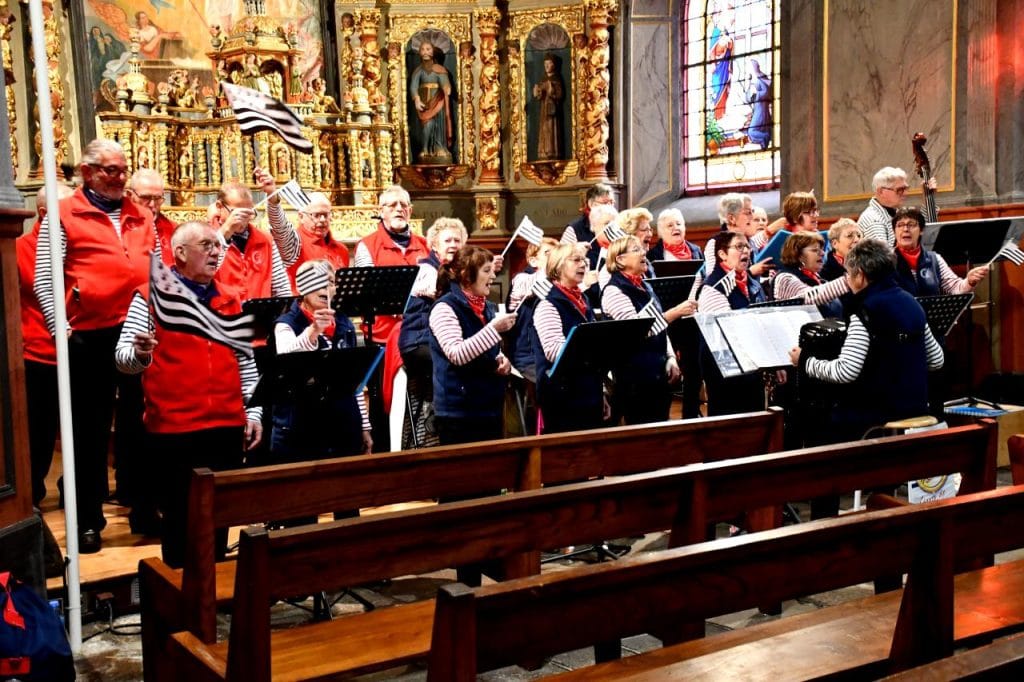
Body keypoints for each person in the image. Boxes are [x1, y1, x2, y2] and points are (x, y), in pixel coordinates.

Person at [115, 221, 262, 567]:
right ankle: (180, 594)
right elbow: (122, 358)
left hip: (226, 425)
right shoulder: (148, 296)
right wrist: (141, 354)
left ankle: (214, 591)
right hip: (175, 429)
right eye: (206, 245)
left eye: (217, 245)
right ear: (180, 253)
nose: (216, 252)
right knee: (180, 522)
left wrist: (254, 410)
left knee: (219, 521)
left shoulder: (230, 298)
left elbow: (246, 361)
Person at [34, 139, 156, 553]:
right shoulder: (63, 213)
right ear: (87, 172)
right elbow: (46, 275)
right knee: (89, 432)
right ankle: (87, 520)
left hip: (138, 328)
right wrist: (60, 328)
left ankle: (143, 507)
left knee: (144, 423)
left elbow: (156, 269)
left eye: (122, 170)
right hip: (89, 333)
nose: (119, 178)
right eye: (110, 170)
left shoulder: (141, 215)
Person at [789, 238, 944, 443]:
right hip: (917, 407)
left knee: (817, 421)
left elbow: (845, 371)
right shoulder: (912, 303)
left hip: (876, 414)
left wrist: (805, 361)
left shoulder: (865, 311)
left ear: (860, 275)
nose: (848, 280)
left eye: (848, 274)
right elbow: (937, 360)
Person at [354, 185, 430, 450]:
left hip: (419, 335)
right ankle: (386, 452)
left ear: (411, 210)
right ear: (381, 211)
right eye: (392, 205)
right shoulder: (367, 246)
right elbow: (367, 294)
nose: (399, 209)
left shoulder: (424, 245)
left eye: (404, 205)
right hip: (383, 338)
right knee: (382, 404)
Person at [271, 260, 371, 461]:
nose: (325, 287)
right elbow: (286, 356)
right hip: (301, 429)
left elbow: (354, 381)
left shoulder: (344, 323)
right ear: (301, 288)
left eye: (331, 282)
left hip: (343, 425)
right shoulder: (286, 324)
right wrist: (313, 331)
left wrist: (364, 425)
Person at [18, 184, 74, 507]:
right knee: (39, 430)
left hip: (78, 349)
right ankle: (32, 494)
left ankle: (76, 493)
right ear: (44, 213)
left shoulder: (78, 245)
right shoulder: (20, 248)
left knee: (79, 431)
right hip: (38, 352)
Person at [429, 246, 515, 444]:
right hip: (458, 413)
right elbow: (457, 354)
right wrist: (494, 329)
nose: (493, 276)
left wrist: (502, 359)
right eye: (486, 270)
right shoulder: (444, 308)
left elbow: (487, 348)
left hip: (488, 406)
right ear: (466, 276)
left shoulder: (487, 307)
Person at [601, 236, 684, 424]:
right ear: (620, 260)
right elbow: (637, 330)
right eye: (636, 249)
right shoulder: (614, 291)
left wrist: (670, 357)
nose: (644, 252)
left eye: (642, 248)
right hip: (634, 380)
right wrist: (674, 313)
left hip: (658, 374)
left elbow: (660, 327)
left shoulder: (644, 285)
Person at [533, 244, 609, 433]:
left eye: (584, 260)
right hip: (562, 397)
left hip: (588, 392)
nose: (583, 264)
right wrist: (591, 350)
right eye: (576, 260)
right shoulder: (547, 304)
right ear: (558, 266)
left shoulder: (583, 300)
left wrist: (601, 392)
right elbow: (554, 351)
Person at [697, 230, 769, 417]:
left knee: (756, 421)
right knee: (730, 425)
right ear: (722, 254)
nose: (746, 251)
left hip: (752, 364)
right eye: (739, 246)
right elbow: (730, 333)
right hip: (726, 370)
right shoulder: (713, 288)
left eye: (747, 246)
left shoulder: (752, 283)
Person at [210, 178, 293, 309]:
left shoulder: (265, 240)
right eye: (236, 213)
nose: (243, 220)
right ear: (220, 207)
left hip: (259, 316)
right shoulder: (205, 237)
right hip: (221, 317)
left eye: (248, 213)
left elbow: (281, 288)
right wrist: (225, 233)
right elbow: (199, 279)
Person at [892, 206, 988, 297]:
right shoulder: (887, 261)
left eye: (911, 225)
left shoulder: (935, 259)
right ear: (894, 231)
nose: (905, 229)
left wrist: (969, 281)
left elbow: (955, 288)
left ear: (921, 230)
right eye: (900, 225)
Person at [266, 189, 349, 289]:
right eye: (316, 215)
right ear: (301, 217)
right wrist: (273, 201)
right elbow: (280, 228)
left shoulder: (342, 249)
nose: (322, 220)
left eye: (326, 215)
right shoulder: (294, 243)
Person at [773, 231, 843, 318]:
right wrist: (847, 282)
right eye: (815, 250)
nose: (822, 253)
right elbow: (808, 298)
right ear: (798, 255)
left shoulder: (818, 278)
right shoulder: (785, 279)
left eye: (822, 249)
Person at [410, 41, 453, 164]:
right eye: (422, 49)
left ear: (433, 52)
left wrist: (446, 88)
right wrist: (417, 99)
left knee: (438, 125)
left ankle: (439, 147)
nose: (425, 52)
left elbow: (445, 83)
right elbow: (413, 86)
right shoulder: (418, 71)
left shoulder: (439, 69)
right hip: (424, 104)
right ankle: (425, 148)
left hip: (438, 101)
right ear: (419, 53)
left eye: (428, 49)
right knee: (427, 125)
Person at [129, 168, 175, 266]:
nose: (152, 204)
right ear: (130, 196)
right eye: (145, 197)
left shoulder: (174, 231)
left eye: (157, 198)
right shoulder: (119, 227)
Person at [559, 183, 616, 259]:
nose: (610, 206)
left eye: (612, 202)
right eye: (605, 203)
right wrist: (575, 250)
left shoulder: (620, 225)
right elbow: (560, 257)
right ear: (591, 204)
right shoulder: (575, 229)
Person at [857, 167, 911, 246]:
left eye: (906, 189)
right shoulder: (874, 220)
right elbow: (882, 253)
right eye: (900, 190)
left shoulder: (894, 211)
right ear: (881, 191)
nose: (905, 193)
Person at [508, 237, 558, 313]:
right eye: (548, 253)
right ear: (533, 261)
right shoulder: (521, 279)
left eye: (557, 254)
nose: (554, 257)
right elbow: (521, 290)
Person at [533, 52, 564, 160]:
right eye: (545, 64)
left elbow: (560, 94)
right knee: (544, 129)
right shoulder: (543, 79)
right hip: (544, 110)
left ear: (553, 65)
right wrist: (537, 92)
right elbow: (539, 95)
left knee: (552, 129)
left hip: (552, 110)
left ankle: (552, 151)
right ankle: (543, 152)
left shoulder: (556, 79)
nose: (546, 66)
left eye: (549, 63)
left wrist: (552, 90)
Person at [744, 58, 772, 150]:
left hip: (761, 110)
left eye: (753, 66)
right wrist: (749, 86)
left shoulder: (761, 78)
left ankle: (766, 136)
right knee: (752, 132)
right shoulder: (756, 79)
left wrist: (757, 94)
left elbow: (766, 92)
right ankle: (764, 142)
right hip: (758, 109)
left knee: (751, 132)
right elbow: (748, 99)